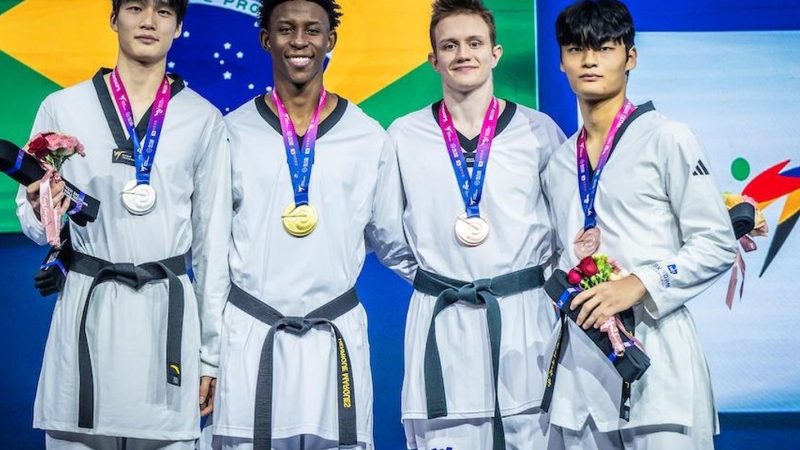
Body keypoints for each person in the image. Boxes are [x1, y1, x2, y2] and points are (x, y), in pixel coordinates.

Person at [16, 0, 231, 448]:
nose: (149, 21)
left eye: (164, 12)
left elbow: (213, 247)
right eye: (135, 7)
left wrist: (210, 357)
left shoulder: (203, 119)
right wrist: (42, 208)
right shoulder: (62, 108)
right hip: (87, 309)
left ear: (178, 28)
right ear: (114, 19)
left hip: (166, 317)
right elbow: (34, 223)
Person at [209, 1, 416, 449]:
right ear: (266, 39)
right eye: (285, 29)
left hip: (333, 338)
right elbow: (209, 252)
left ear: (330, 41)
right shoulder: (230, 133)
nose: (299, 41)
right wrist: (206, 352)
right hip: (250, 335)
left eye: (311, 30)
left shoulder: (367, 136)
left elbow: (393, 242)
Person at [541, 1, 737, 448]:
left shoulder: (668, 137)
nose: (589, 60)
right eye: (576, 49)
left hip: (658, 365)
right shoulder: (558, 160)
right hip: (582, 375)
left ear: (630, 57)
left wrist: (639, 283)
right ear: (562, 60)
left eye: (605, 48)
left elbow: (716, 243)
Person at [387, 1, 566, 448]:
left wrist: (530, 286)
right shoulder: (403, 136)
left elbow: (567, 230)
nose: (462, 53)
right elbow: (387, 234)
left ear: (495, 53)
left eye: (474, 43)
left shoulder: (538, 131)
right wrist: (438, 280)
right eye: (449, 45)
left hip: (526, 324)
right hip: (442, 319)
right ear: (433, 59)